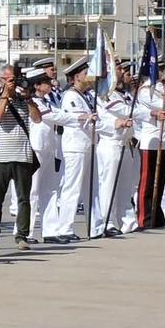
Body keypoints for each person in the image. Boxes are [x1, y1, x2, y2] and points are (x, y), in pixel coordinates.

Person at [39, 59, 97, 242]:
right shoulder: (71, 96)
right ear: (75, 78)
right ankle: (65, 227)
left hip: (87, 144)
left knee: (90, 188)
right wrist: (87, 117)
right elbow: (72, 117)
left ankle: (95, 225)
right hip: (75, 146)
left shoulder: (85, 96)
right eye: (85, 73)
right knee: (72, 188)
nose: (89, 76)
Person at [0, 65, 34, 252]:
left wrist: (28, 98)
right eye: (9, 79)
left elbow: (36, 119)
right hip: (2, 156)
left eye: (14, 79)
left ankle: (22, 236)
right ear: (2, 81)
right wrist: (6, 94)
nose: (13, 83)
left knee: (23, 199)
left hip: (23, 155)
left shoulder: (23, 101)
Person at [130, 65, 165, 231]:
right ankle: (144, 217)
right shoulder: (145, 91)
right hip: (151, 141)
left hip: (164, 139)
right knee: (147, 182)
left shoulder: (164, 88)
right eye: (163, 69)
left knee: (160, 180)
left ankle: (156, 214)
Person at [93, 63, 136, 237]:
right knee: (108, 186)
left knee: (126, 186)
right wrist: (149, 113)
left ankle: (127, 220)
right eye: (119, 69)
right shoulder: (106, 95)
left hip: (125, 144)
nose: (123, 72)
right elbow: (126, 112)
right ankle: (107, 221)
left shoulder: (122, 94)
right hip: (110, 144)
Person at [25, 67, 62, 236]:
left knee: (50, 189)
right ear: (37, 86)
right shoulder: (33, 102)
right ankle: (28, 231)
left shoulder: (49, 101)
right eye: (46, 82)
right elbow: (54, 117)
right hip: (36, 148)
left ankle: (50, 231)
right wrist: (78, 118)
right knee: (32, 191)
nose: (49, 84)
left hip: (49, 148)